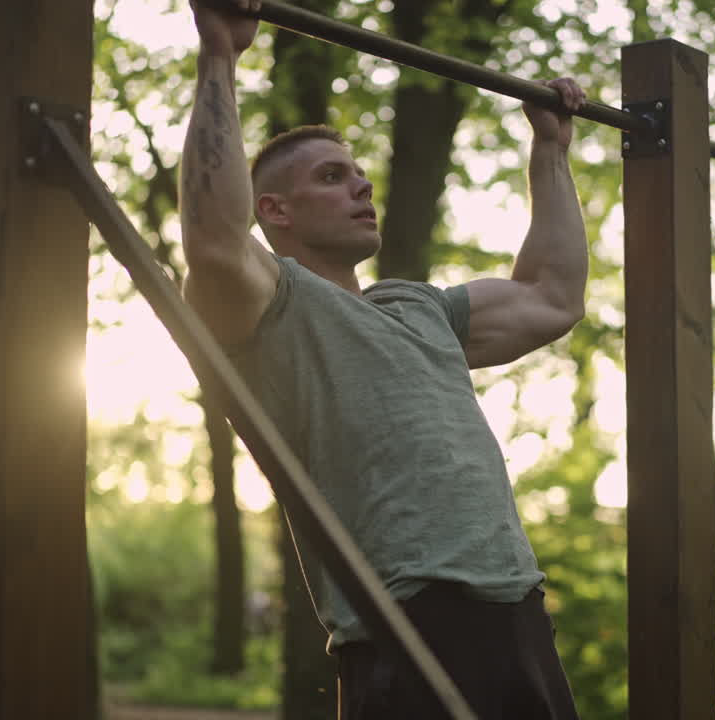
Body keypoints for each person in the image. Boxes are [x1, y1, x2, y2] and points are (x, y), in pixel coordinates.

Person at [182, 1, 588, 717]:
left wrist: (550, 151)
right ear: (273, 211)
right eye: (333, 177)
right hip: (404, 627)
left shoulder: (419, 306)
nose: (362, 185)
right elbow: (214, 240)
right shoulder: (271, 307)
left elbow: (552, 295)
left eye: (359, 173)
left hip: (520, 616)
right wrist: (219, 54)